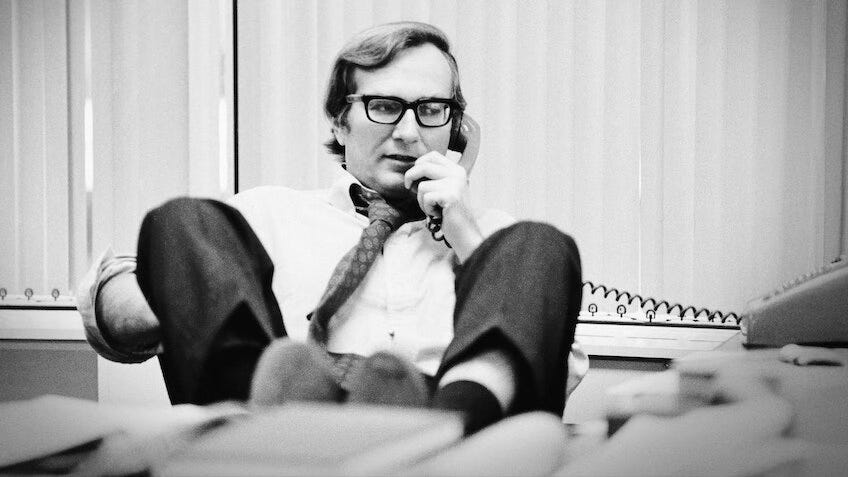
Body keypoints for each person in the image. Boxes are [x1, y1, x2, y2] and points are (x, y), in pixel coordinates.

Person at [76, 21, 584, 435]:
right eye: (384, 106)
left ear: (456, 130)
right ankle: (263, 411)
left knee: (540, 242)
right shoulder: (266, 217)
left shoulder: (495, 241)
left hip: (455, 429)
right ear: (340, 123)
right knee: (182, 221)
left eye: (432, 110)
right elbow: (109, 319)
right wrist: (188, 291)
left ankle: (449, 425)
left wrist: (467, 237)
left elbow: (558, 368)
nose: (409, 133)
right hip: (278, 423)